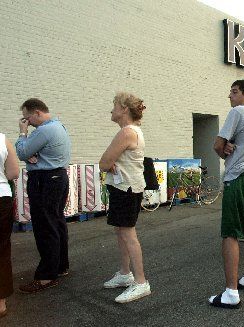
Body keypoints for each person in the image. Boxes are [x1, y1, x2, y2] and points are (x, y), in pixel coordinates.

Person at [210, 80, 244, 309]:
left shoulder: (237, 112)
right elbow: (233, 144)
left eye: (234, 92)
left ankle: (231, 293)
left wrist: (224, 150)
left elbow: (217, 145)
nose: (229, 96)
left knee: (230, 233)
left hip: (237, 178)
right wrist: (230, 147)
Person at [15, 98, 71, 293]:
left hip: (44, 180)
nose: (26, 123)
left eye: (27, 118)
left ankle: (46, 276)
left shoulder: (44, 130)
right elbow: (29, 153)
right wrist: (32, 153)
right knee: (56, 221)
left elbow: (22, 152)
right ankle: (61, 265)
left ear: (37, 112)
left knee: (44, 226)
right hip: (58, 177)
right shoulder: (59, 126)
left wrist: (23, 135)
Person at [99, 92, 151, 303]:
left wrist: (109, 163)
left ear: (123, 109)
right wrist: (110, 162)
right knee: (121, 231)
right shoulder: (130, 131)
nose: (111, 110)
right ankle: (125, 273)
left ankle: (141, 283)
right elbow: (108, 162)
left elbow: (103, 163)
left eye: (114, 105)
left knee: (128, 234)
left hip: (127, 189)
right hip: (124, 188)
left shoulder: (127, 132)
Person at [0, 134, 19, 318]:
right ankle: (1, 302)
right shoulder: (3, 139)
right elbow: (14, 173)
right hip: (1, 196)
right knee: (2, 249)